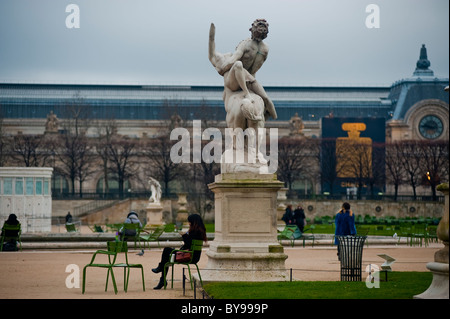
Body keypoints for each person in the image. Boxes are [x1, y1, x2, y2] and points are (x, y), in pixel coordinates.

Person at [152, 214, 207, 290]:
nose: (189, 224)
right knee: (167, 255)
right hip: (193, 256)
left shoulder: (195, 232)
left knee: (167, 251)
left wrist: (184, 235)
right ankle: (161, 273)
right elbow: (190, 245)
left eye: (190, 222)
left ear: (194, 222)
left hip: (189, 257)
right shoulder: (201, 231)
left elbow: (188, 244)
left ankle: (161, 274)